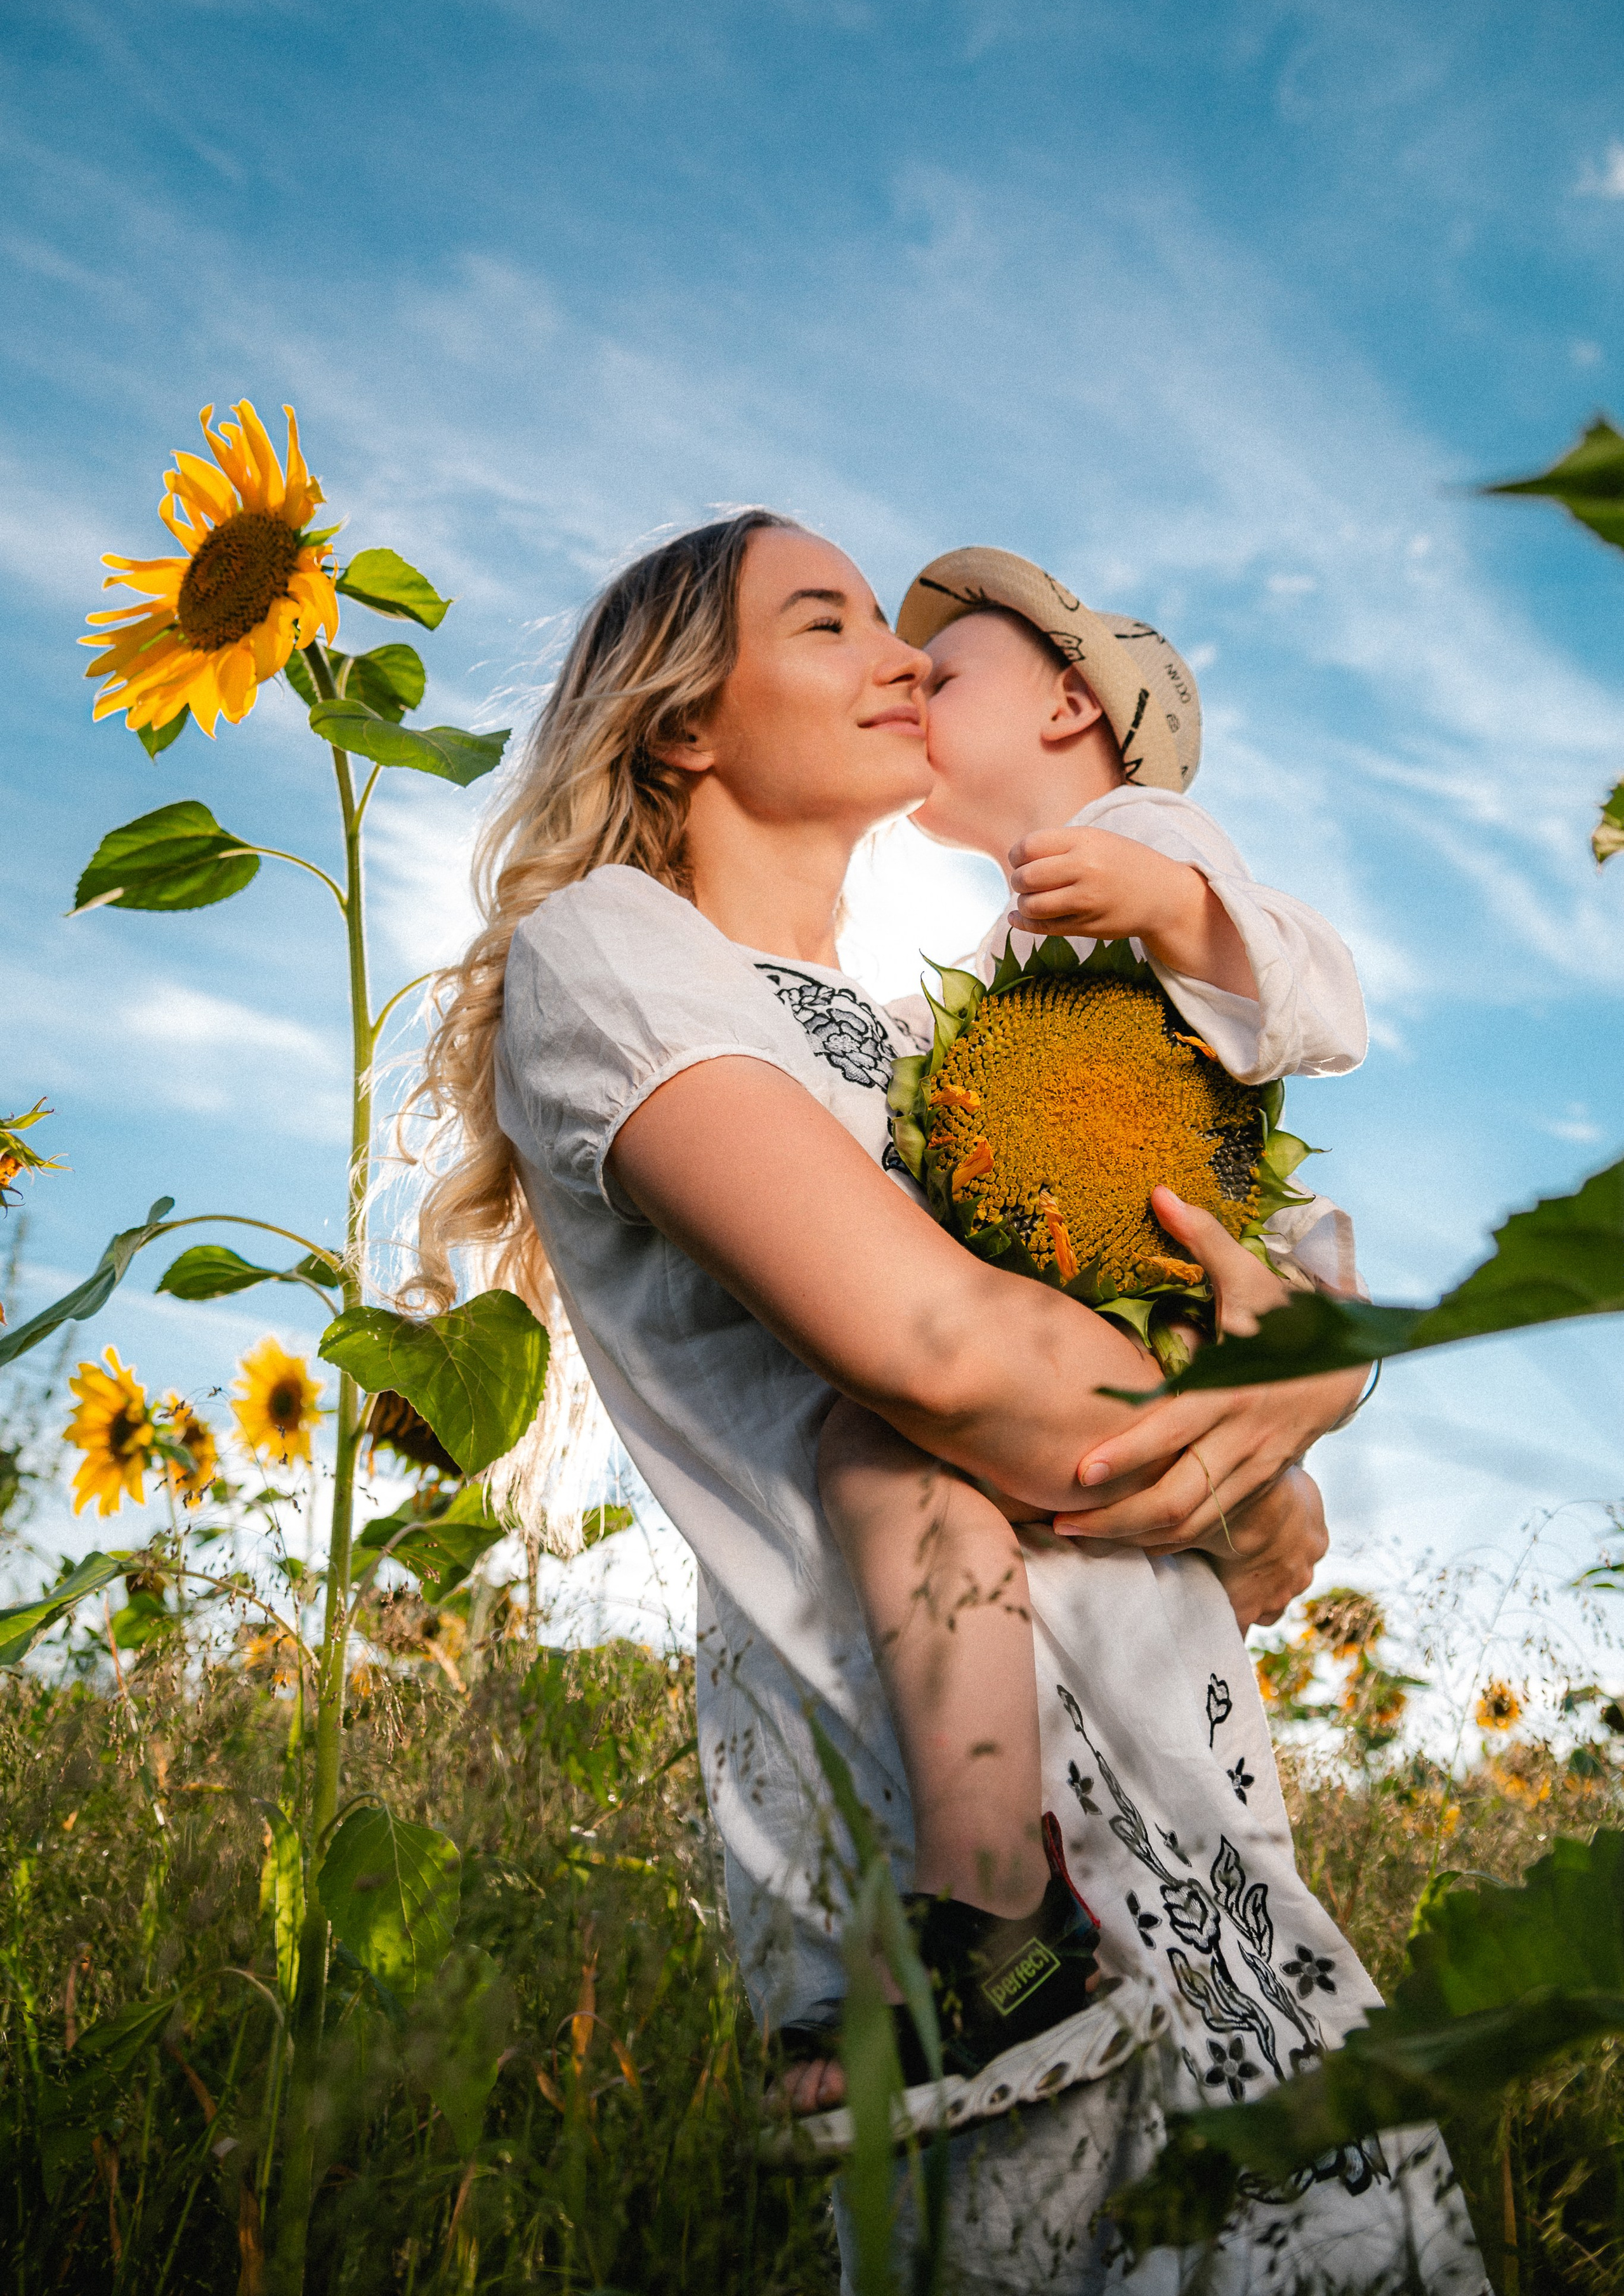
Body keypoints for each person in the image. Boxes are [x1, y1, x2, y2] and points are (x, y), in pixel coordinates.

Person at [407, 513, 1485, 2292]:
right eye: (829, 624)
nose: (906, 662)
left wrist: (1321, 1367)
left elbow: (1233, 1343)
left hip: (1218, 1856)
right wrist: (1253, 1425)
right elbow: (946, 1352)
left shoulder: (933, 1036)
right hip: (970, 1935)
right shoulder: (615, 948)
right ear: (683, 724)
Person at [814, 547, 1370, 2089]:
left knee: (884, 1463)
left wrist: (1181, 906)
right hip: (1098, 1307)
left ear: (1071, 704)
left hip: (1189, 1283)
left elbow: (1320, 995)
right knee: (906, 1482)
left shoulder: (1134, 835)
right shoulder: (996, 955)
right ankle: (1016, 1884)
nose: (911, 689)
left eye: (949, 673)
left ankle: (994, 1889)